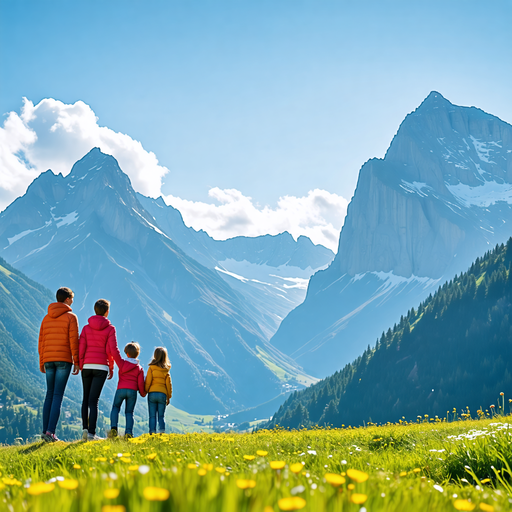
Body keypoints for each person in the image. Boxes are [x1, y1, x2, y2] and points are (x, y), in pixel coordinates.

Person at [38, 287, 79, 442]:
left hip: (48, 360)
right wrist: (77, 361)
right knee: (57, 395)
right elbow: (73, 341)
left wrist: (42, 361)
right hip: (63, 360)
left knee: (49, 394)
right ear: (67, 299)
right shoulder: (71, 317)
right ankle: (50, 432)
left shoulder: (46, 318)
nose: (73, 302)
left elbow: (41, 342)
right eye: (72, 299)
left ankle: (44, 432)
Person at [79, 298, 118, 441]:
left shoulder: (86, 328)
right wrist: (111, 367)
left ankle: (84, 430)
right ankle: (91, 433)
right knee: (93, 401)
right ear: (107, 312)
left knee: (85, 399)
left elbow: (81, 348)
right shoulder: (110, 329)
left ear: (95, 310)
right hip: (101, 366)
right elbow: (111, 349)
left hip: (87, 366)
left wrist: (80, 364)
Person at [108, 342, 146, 438]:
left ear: (127, 354)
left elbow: (116, 355)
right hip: (132, 391)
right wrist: (143, 393)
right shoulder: (139, 368)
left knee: (115, 408)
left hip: (120, 389)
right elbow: (141, 383)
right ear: (137, 354)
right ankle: (128, 433)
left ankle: (113, 429)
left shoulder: (121, 363)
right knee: (129, 412)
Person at [145, 346, 172, 434]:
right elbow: (169, 385)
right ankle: (162, 433)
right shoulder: (166, 370)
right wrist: (169, 396)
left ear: (155, 356)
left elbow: (148, 381)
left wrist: (146, 390)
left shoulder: (151, 368)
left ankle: (152, 433)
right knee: (161, 416)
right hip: (162, 394)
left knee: (152, 416)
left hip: (152, 394)